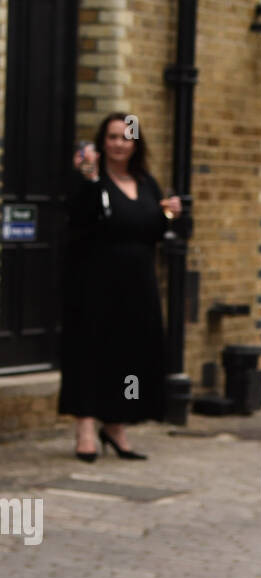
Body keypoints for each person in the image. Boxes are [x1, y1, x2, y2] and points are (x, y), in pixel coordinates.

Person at [58, 112, 181, 461]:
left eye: (125, 137)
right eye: (111, 137)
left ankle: (116, 424)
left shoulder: (146, 182)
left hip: (137, 283)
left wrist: (170, 213)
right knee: (90, 350)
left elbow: (157, 231)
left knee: (128, 353)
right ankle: (84, 427)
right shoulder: (89, 180)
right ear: (101, 142)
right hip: (94, 281)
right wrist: (90, 179)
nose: (118, 144)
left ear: (136, 143)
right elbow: (80, 218)